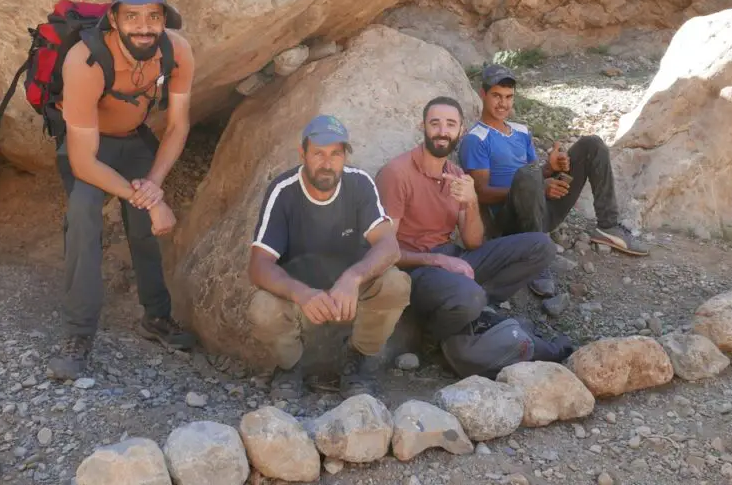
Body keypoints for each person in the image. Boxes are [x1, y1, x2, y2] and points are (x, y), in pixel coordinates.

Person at [47, 0, 198, 380]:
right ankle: (78, 336)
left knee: (143, 229)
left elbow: (179, 126)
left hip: (134, 140)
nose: (144, 27)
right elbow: (83, 163)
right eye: (132, 17)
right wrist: (152, 199)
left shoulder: (178, 51)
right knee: (83, 217)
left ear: (164, 18)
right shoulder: (86, 60)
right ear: (114, 18)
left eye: (153, 16)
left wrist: (154, 184)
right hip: (90, 149)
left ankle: (157, 317)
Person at [374, 96, 559, 347]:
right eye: (435, 123)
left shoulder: (456, 174)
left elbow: (473, 242)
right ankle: (431, 338)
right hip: (415, 270)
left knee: (541, 246)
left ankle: (475, 308)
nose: (442, 132)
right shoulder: (397, 173)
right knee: (469, 296)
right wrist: (436, 260)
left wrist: (472, 202)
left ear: (460, 130)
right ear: (423, 127)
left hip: (453, 258)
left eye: (450, 125)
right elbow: (384, 251)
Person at [247, 115, 410, 400]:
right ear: (303, 154)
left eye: (336, 154)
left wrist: (353, 278)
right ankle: (290, 367)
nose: (327, 162)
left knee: (396, 284)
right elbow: (258, 266)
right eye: (318, 153)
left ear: (345, 155)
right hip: (302, 298)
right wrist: (301, 293)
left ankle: (358, 362)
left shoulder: (359, 184)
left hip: (350, 295)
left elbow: (389, 246)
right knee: (261, 307)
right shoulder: (283, 191)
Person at [458, 64, 649, 296]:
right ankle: (536, 258)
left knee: (592, 144)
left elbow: (534, 175)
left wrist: (550, 168)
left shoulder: (519, 131)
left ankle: (608, 226)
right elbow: (482, 192)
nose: (503, 104)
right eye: (496, 96)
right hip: (510, 224)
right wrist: (538, 184)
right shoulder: (476, 139)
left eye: (509, 97)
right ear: (483, 94)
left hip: (541, 210)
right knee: (528, 175)